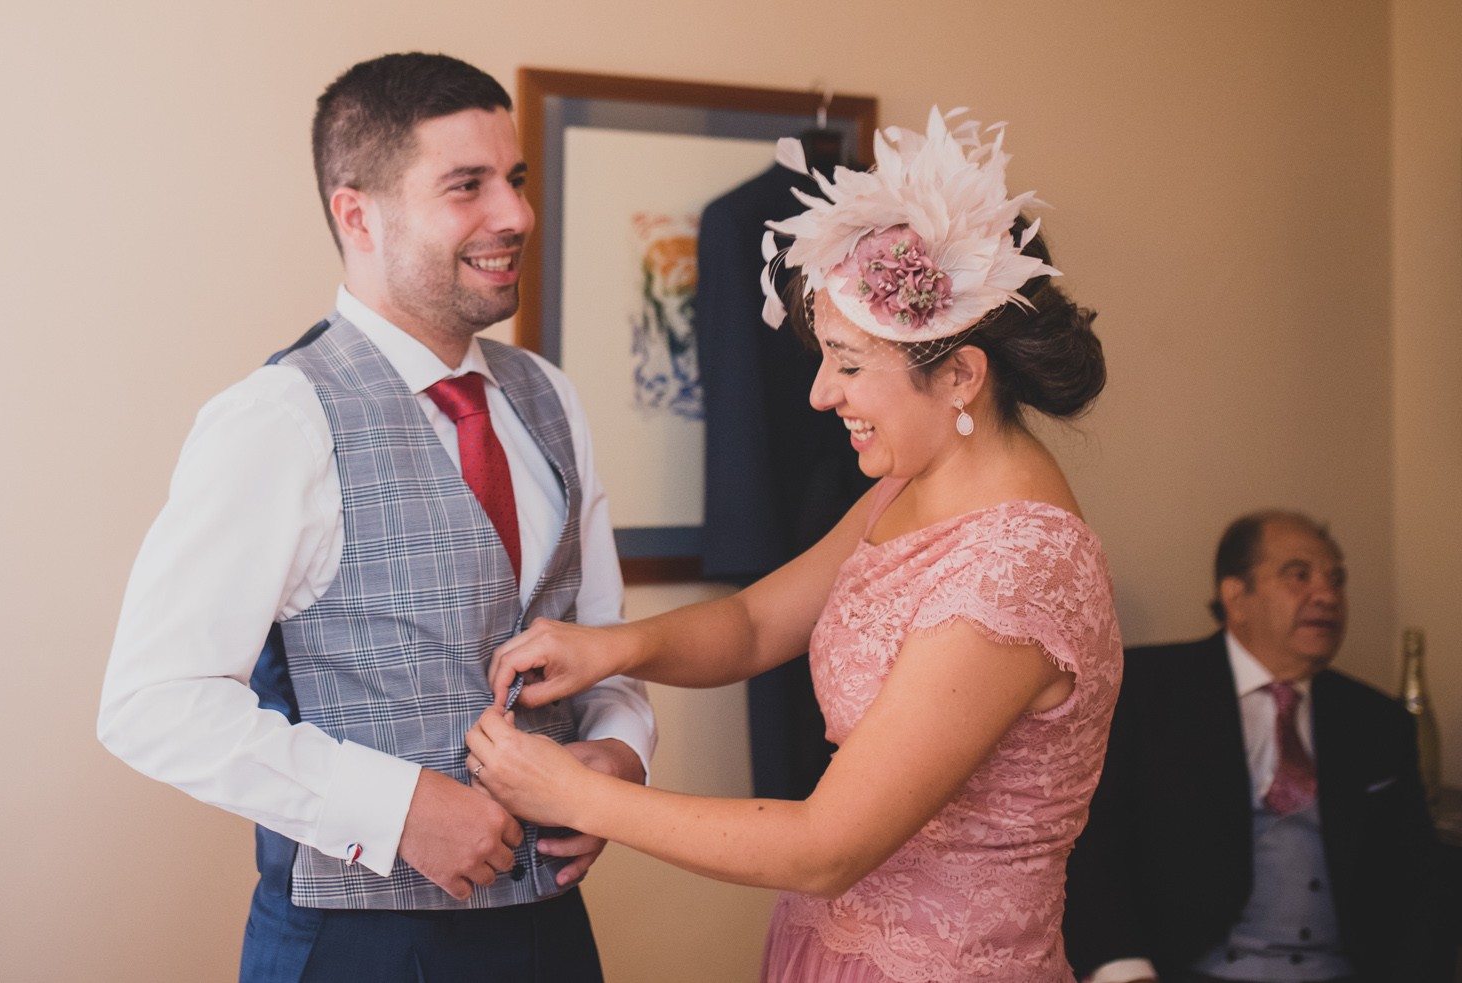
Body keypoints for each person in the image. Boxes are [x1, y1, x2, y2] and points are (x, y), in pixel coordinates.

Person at [463, 108, 1120, 982]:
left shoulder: (1014, 574)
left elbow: (825, 846)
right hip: (827, 948)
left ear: (960, 374)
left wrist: (584, 794)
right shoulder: (912, 486)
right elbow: (753, 624)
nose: (818, 394)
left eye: (848, 363)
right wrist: (611, 647)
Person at [98, 53, 655, 983]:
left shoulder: (548, 396)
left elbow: (599, 637)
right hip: (358, 947)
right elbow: (152, 702)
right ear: (358, 213)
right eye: (466, 186)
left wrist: (621, 752)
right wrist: (395, 809)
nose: (515, 214)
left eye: (513, 180)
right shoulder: (278, 418)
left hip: (552, 934)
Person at [1062, 511, 1445, 983]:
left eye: (1336, 579)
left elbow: (1419, 880)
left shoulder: (1376, 720)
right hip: (1190, 970)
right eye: (1298, 575)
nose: (1328, 595)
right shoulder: (1145, 690)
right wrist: (1125, 970)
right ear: (1235, 595)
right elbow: (1094, 843)